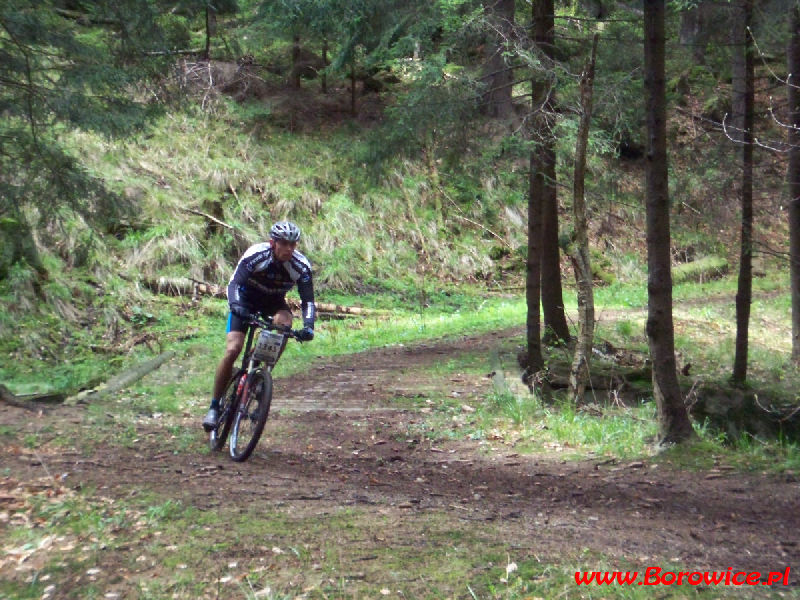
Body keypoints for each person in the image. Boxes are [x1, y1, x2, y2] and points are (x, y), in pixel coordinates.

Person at [202, 220, 315, 431]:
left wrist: (309, 326)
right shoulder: (257, 254)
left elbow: (308, 301)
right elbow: (234, 283)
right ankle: (215, 406)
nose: (289, 249)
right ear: (273, 243)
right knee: (233, 349)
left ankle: (262, 376)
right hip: (245, 301)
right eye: (284, 243)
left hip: (273, 303)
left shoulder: (300, 266)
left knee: (285, 325)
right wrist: (236, 306)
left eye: (293, 244)